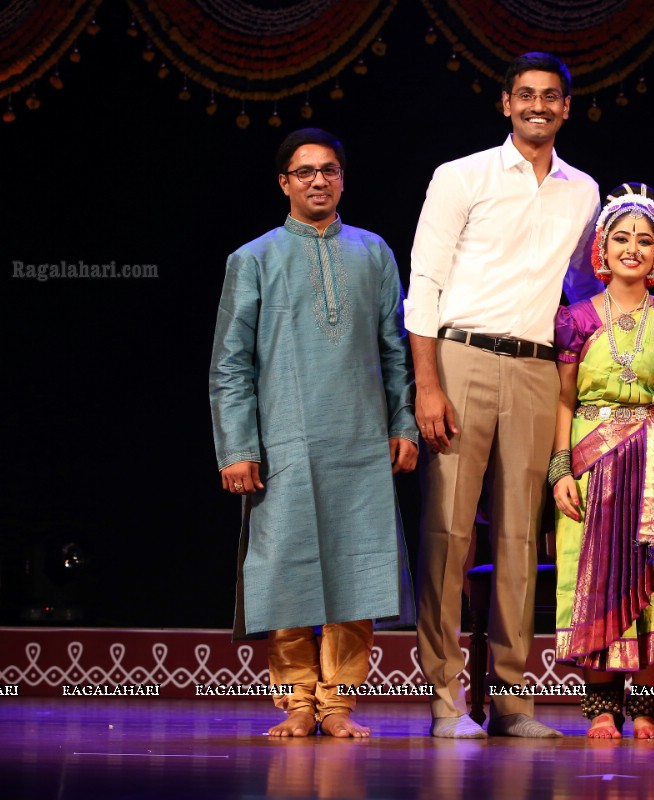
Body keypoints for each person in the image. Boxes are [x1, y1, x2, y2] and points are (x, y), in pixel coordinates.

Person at [406, 52, 601, 739]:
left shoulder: (584, 191)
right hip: (461, 358)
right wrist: (426, 384)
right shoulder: (461, 176)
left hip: (537, 367)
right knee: (448, 531)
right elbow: (424, 283)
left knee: (524, 535)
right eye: (527, 96)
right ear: (506, 103)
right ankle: (443, 695)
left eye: (551, 97)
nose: (538, 106)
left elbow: (584, 290)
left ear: (567, 107)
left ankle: (514, 700)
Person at [209, 128, 418, 738]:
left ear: (343, 179)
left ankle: (340, 705)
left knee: (359, 570)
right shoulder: (254, 258)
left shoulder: (374, 252)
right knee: (288, 571)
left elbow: (396, 349)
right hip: (284, 444)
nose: (318, 181)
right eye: (305, 173)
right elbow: (230, 363)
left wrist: (403, 421)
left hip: (360, 441)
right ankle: (298, 702)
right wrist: (239, 446)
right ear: (285, 183)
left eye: (329, 170)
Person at [551, 183, 654, 740]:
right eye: (620, 238)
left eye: (644, 239)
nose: (631, 248)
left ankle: (646, 707)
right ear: (602, 248)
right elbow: (563, 399)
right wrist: (560, 469)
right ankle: (601, 707)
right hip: (594, 459)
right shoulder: (576, 319)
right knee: (597, 574)